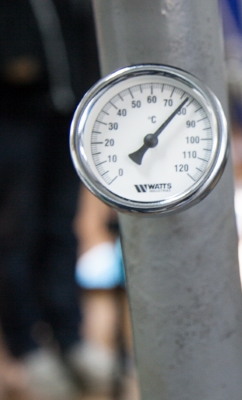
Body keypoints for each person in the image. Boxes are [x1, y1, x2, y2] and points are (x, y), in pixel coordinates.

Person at [0, 0, 112, 398]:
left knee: (61, 229)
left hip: (65, 115)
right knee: (16, 235)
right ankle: (27, 348)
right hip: (13, 120)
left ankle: (70, 338)